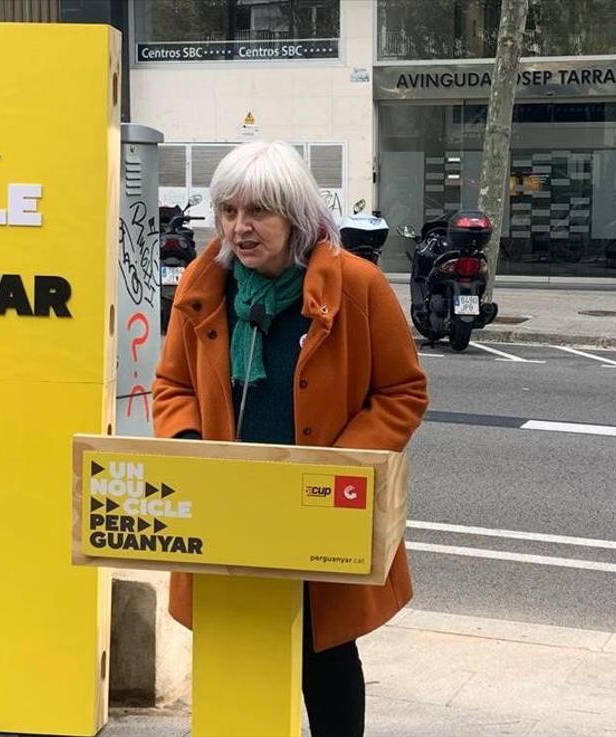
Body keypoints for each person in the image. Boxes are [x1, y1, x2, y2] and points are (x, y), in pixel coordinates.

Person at [152, 140, 428, 737]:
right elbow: (171, 386)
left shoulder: (356, 285)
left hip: (317, 513)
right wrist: (195, 449)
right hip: (228, 515)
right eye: (228, 211)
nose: (240, 228)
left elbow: (402, 392)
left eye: (258, 213)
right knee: (238, 652)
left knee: (326, 660)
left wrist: (334, 468)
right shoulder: (205, 285)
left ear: (295, 216)